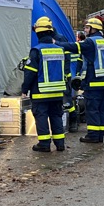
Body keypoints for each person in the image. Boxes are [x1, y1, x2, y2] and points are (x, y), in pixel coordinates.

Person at [56, 18, 104, 143]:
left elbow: (74, 47)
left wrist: (57, 43)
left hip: (94, 82)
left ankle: (92, 135)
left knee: (92, 109)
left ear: (94, 29)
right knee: (101, 110)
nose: (85, 30)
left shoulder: (90, 42)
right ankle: (100, 135)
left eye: (87, 28)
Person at [22, 17, 66, 152]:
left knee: (41, 117)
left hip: (41, 92)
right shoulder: (59, 49)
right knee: (56, 116)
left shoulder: (36, 50)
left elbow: (30, 73)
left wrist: (24, 89)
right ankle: (60, 144)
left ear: (38, 33)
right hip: (58, 92)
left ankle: (44, 144)